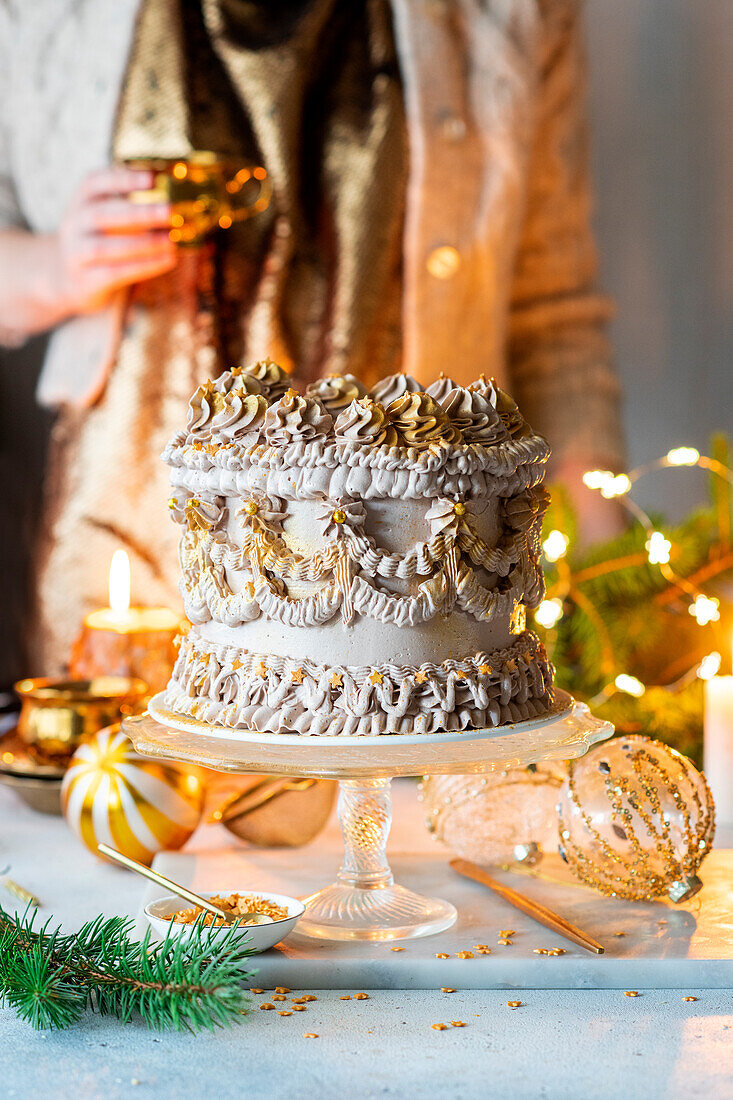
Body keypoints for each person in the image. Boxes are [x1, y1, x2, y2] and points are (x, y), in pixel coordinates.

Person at [0, 0, 625, 676]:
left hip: (409, 577)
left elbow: (551, 310)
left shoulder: (515, 13)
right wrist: (57, 266)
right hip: (131, 557)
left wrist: (608, 580)